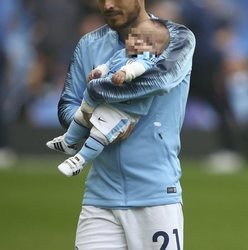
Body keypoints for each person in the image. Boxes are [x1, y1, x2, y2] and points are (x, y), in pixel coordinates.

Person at [57, 0, 195, 249]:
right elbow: (67, 106)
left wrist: (95, 90)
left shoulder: (174, 37)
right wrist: (98, 122)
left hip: (155, 196)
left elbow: (158, 81)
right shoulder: (89, 44)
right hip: (99, 197)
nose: (108, 5)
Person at [46, 19, 169, 177]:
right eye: (133, 35)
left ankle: (79, 160)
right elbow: (109, 65)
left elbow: (138, 68)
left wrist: (125, 73)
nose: (133, 40)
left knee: (101, 132)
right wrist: (99, 71)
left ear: (155, 48)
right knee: (81, 116)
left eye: (142, 38)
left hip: (125, 109)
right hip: (107, 100)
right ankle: (68, 141)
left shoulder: (148, 59)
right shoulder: (123, 53)